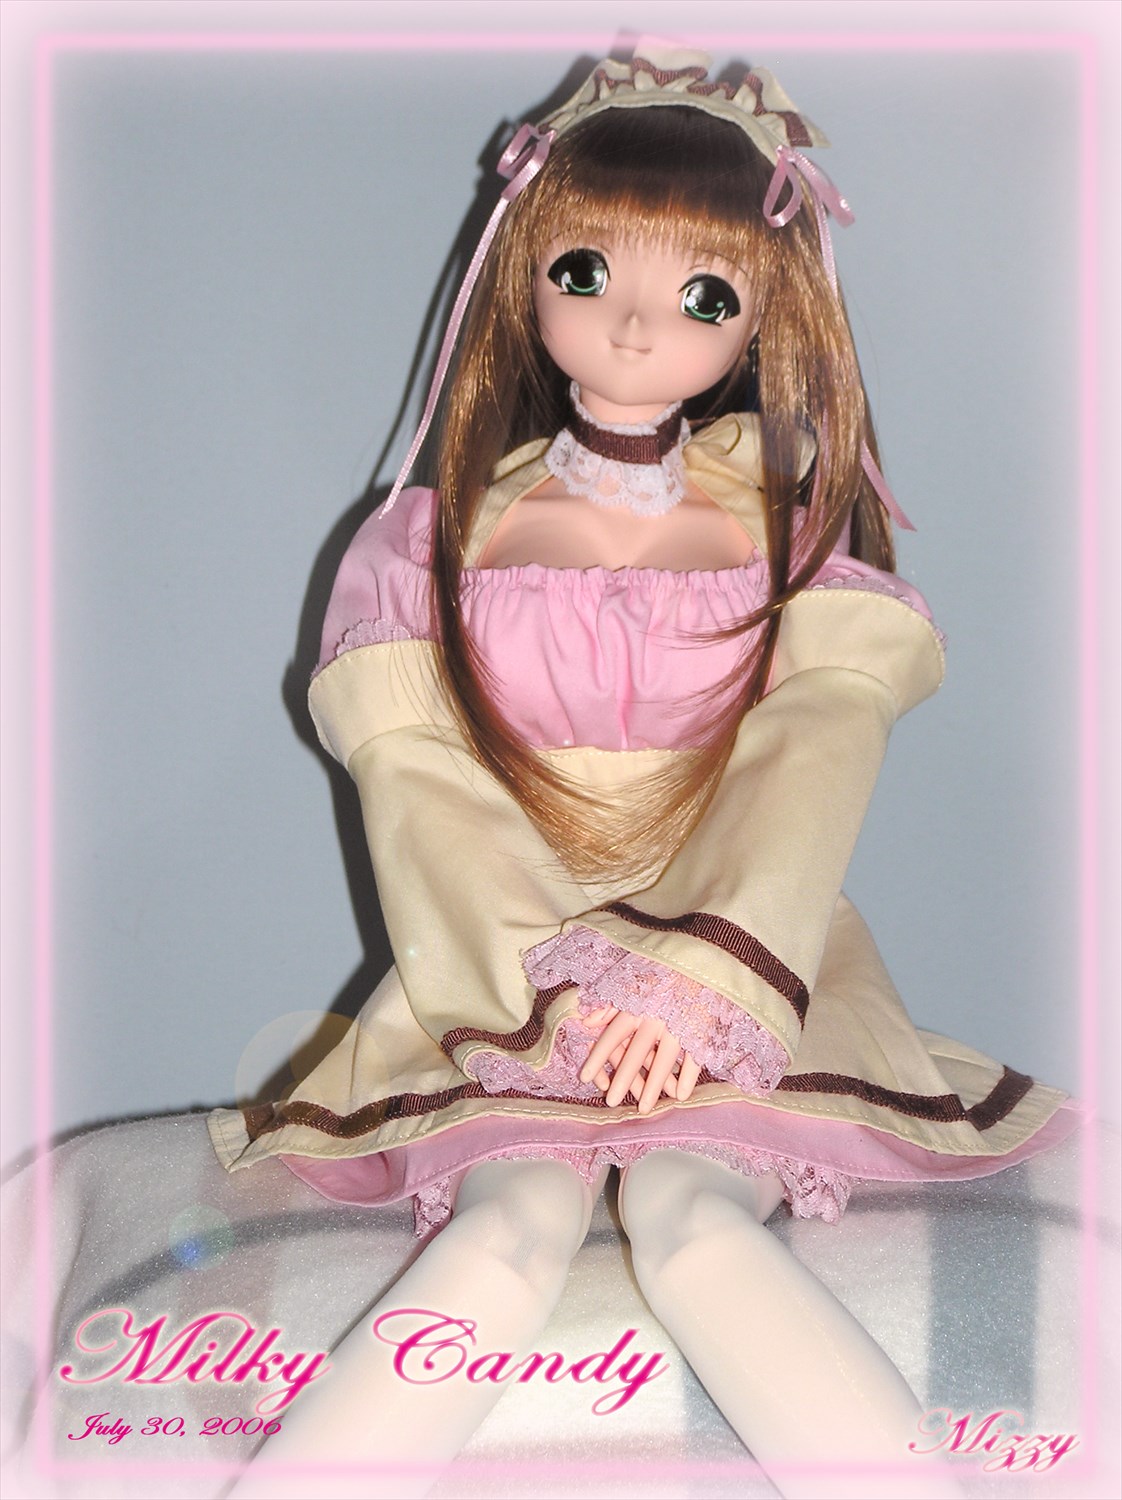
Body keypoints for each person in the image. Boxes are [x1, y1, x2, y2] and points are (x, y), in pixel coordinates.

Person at [213, 43, 1075, 1499]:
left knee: (696, 1226)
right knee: (504, 1233)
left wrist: (701, 972)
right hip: (491, 960)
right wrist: (545, 989)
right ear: (527, 275)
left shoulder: (792, 530)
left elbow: (810, 754)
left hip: (740, 954)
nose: (631, 326)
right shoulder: (429, 538)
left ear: (763, 316)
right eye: (586, 271)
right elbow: (419, 787)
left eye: (702, 296)